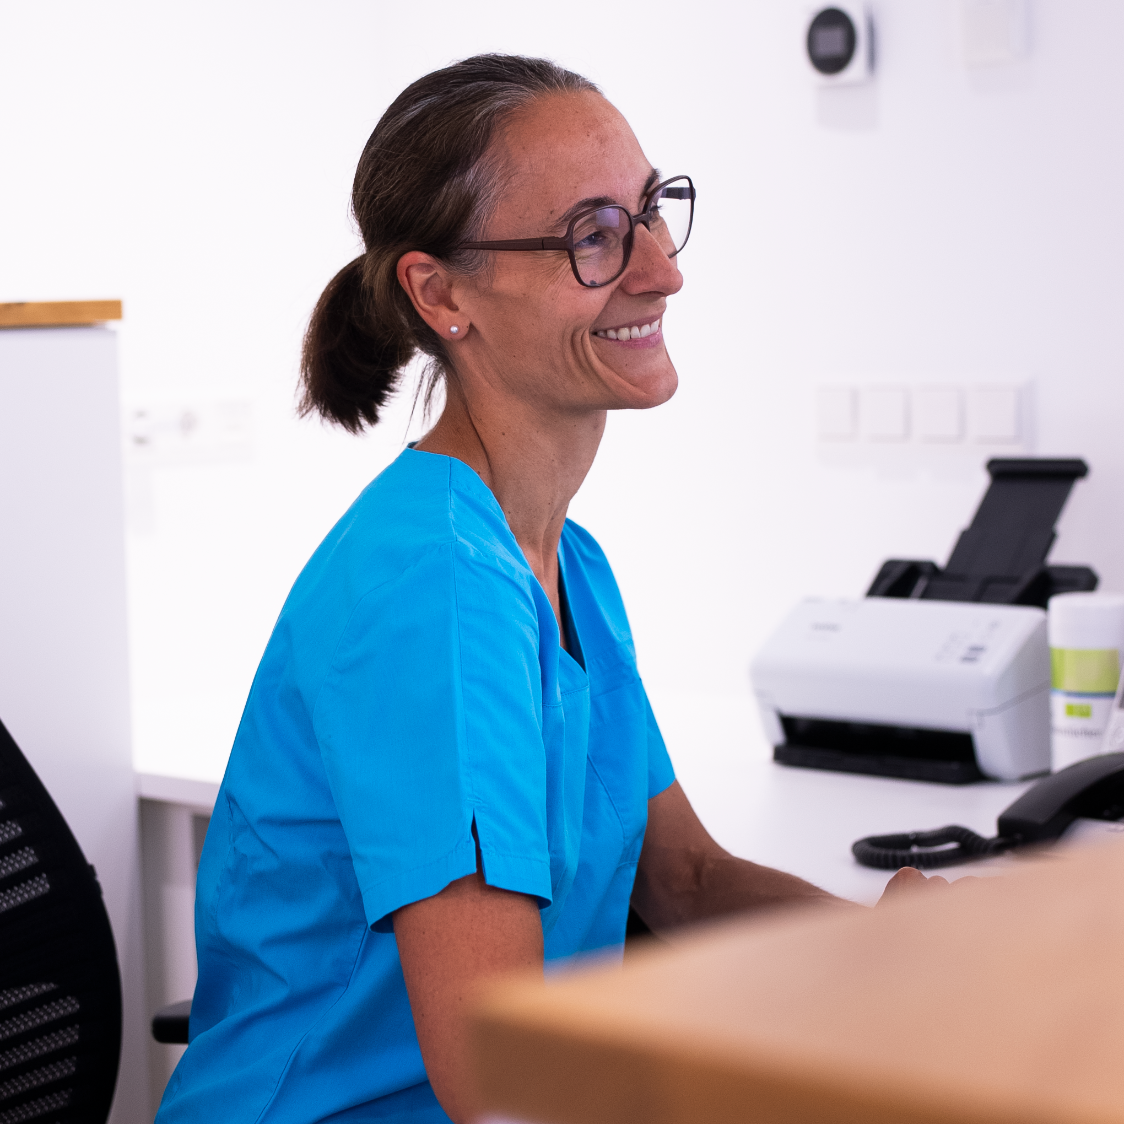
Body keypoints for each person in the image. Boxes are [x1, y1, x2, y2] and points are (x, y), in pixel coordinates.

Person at [155, 53, 932, 1124]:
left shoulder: (567, 562)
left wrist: (895, 949)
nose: (660, 270)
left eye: (652, 212)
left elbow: (685, 881)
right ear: (440, 293)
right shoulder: (433, 589)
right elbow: (496, 1075)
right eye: (592, 235)